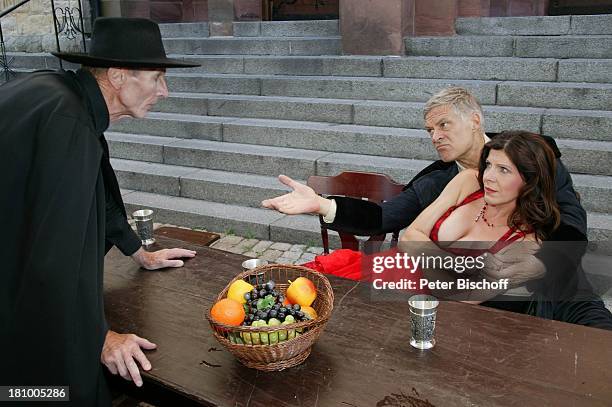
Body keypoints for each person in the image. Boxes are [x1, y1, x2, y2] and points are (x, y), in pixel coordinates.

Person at [262, 86, 612, 329]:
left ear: (475, 120)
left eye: (444, 124)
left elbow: (572, 220)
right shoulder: (439, 178)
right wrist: (323, 204)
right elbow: (387, 216)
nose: (435, 136)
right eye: (430, 129)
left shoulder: (534, 156)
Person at [0, 18, 200, 405]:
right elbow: (54, 253)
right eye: (157, 77)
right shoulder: (68, 121)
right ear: (118, 76)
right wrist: (100, 336)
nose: (165, 91)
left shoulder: (63, 96)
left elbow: (96, 191)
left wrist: (137, 249)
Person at [399, 131, 559, 301]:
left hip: (430, 308)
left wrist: (423, 255)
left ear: (530, 179)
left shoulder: (525, 240)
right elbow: (408, 238)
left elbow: (467, 298)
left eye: (503, 170)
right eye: (489, 165)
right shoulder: (469, 181)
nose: (488, 177)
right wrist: (461, 264)